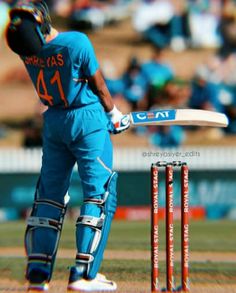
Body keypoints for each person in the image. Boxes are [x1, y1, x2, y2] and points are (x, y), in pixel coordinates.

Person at [5, 0, 130, 291]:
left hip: (53, 122)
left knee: (49, 197)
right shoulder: (76, 42)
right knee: (99, 194)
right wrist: (114, 114)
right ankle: (84, 275)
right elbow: (98, 83)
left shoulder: (26, 50)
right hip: (86, 118)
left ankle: (37, 274)